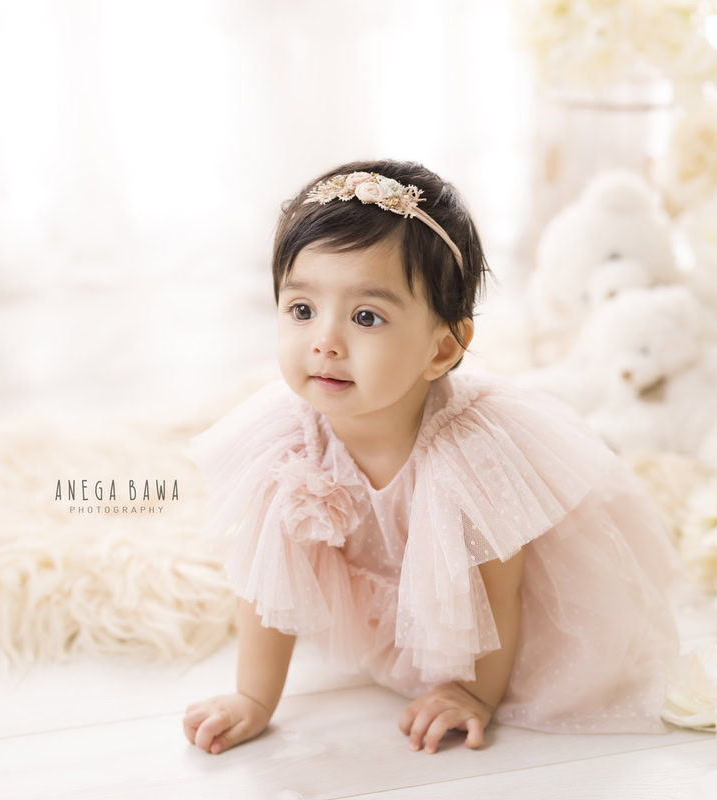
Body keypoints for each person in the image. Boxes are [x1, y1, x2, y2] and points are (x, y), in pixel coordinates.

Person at [182, 159, 684, 756]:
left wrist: (474, 694)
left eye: (366, 317)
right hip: (395, 596)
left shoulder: (471, 453)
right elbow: (272, 582)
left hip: (500, 622)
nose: (325, 341)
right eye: (301, 310)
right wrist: (254, 699)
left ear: (442, 348)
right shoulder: (288, 440)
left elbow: (501, 593)